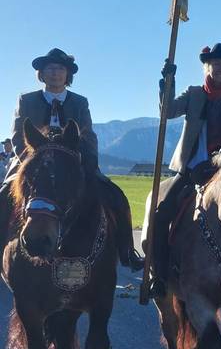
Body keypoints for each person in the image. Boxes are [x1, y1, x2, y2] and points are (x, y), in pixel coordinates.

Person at [0, 48, 143, 270]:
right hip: (33, 164)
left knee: (115, 196)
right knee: (3, 197)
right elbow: (18, 135)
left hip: (73, 163)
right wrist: (33, 161)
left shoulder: (79, 102)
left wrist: (86, 162)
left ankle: (126, 252)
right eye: (50, 68)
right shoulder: (26, 100)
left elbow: (88, 135)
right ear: (41, 73)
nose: (55, 73)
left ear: (67, 75)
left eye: (60, 69)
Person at [148, 42, 221, 298]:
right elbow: (167, 111)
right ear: (208, 66)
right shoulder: (194, 94)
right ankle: (158, 274)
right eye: (216, 64)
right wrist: (167, 82)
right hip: (190, 170)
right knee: (161, 214)